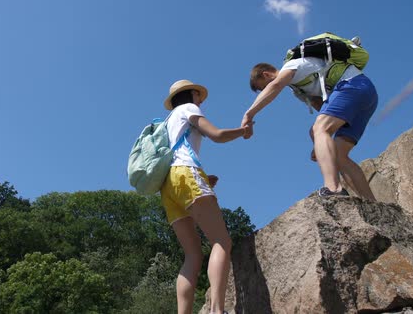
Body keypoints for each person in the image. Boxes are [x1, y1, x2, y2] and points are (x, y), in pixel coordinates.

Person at [242, 43, 377, 201]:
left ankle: (333, 188)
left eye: (264, 87)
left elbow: (276, 85)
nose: (266, 90)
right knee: (338, 154)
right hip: (366, 95)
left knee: (319, 129)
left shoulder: (293, 64)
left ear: (266, 75)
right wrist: (321, 146)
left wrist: (249, 114)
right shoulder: (299, 90)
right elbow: (324, 109)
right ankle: (372, 203)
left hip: (352, 85)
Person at [161, 79, 250, 314]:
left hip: (168, 186)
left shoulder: (167, 122)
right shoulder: (189, 109)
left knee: (192, 254)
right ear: (190, 95)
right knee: (221, 242)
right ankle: (217, 310)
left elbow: (176, 156)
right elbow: (217, 135)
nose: (201, 100)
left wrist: (203, 178)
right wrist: (243, 131)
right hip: (186, 175)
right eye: (198, 95)